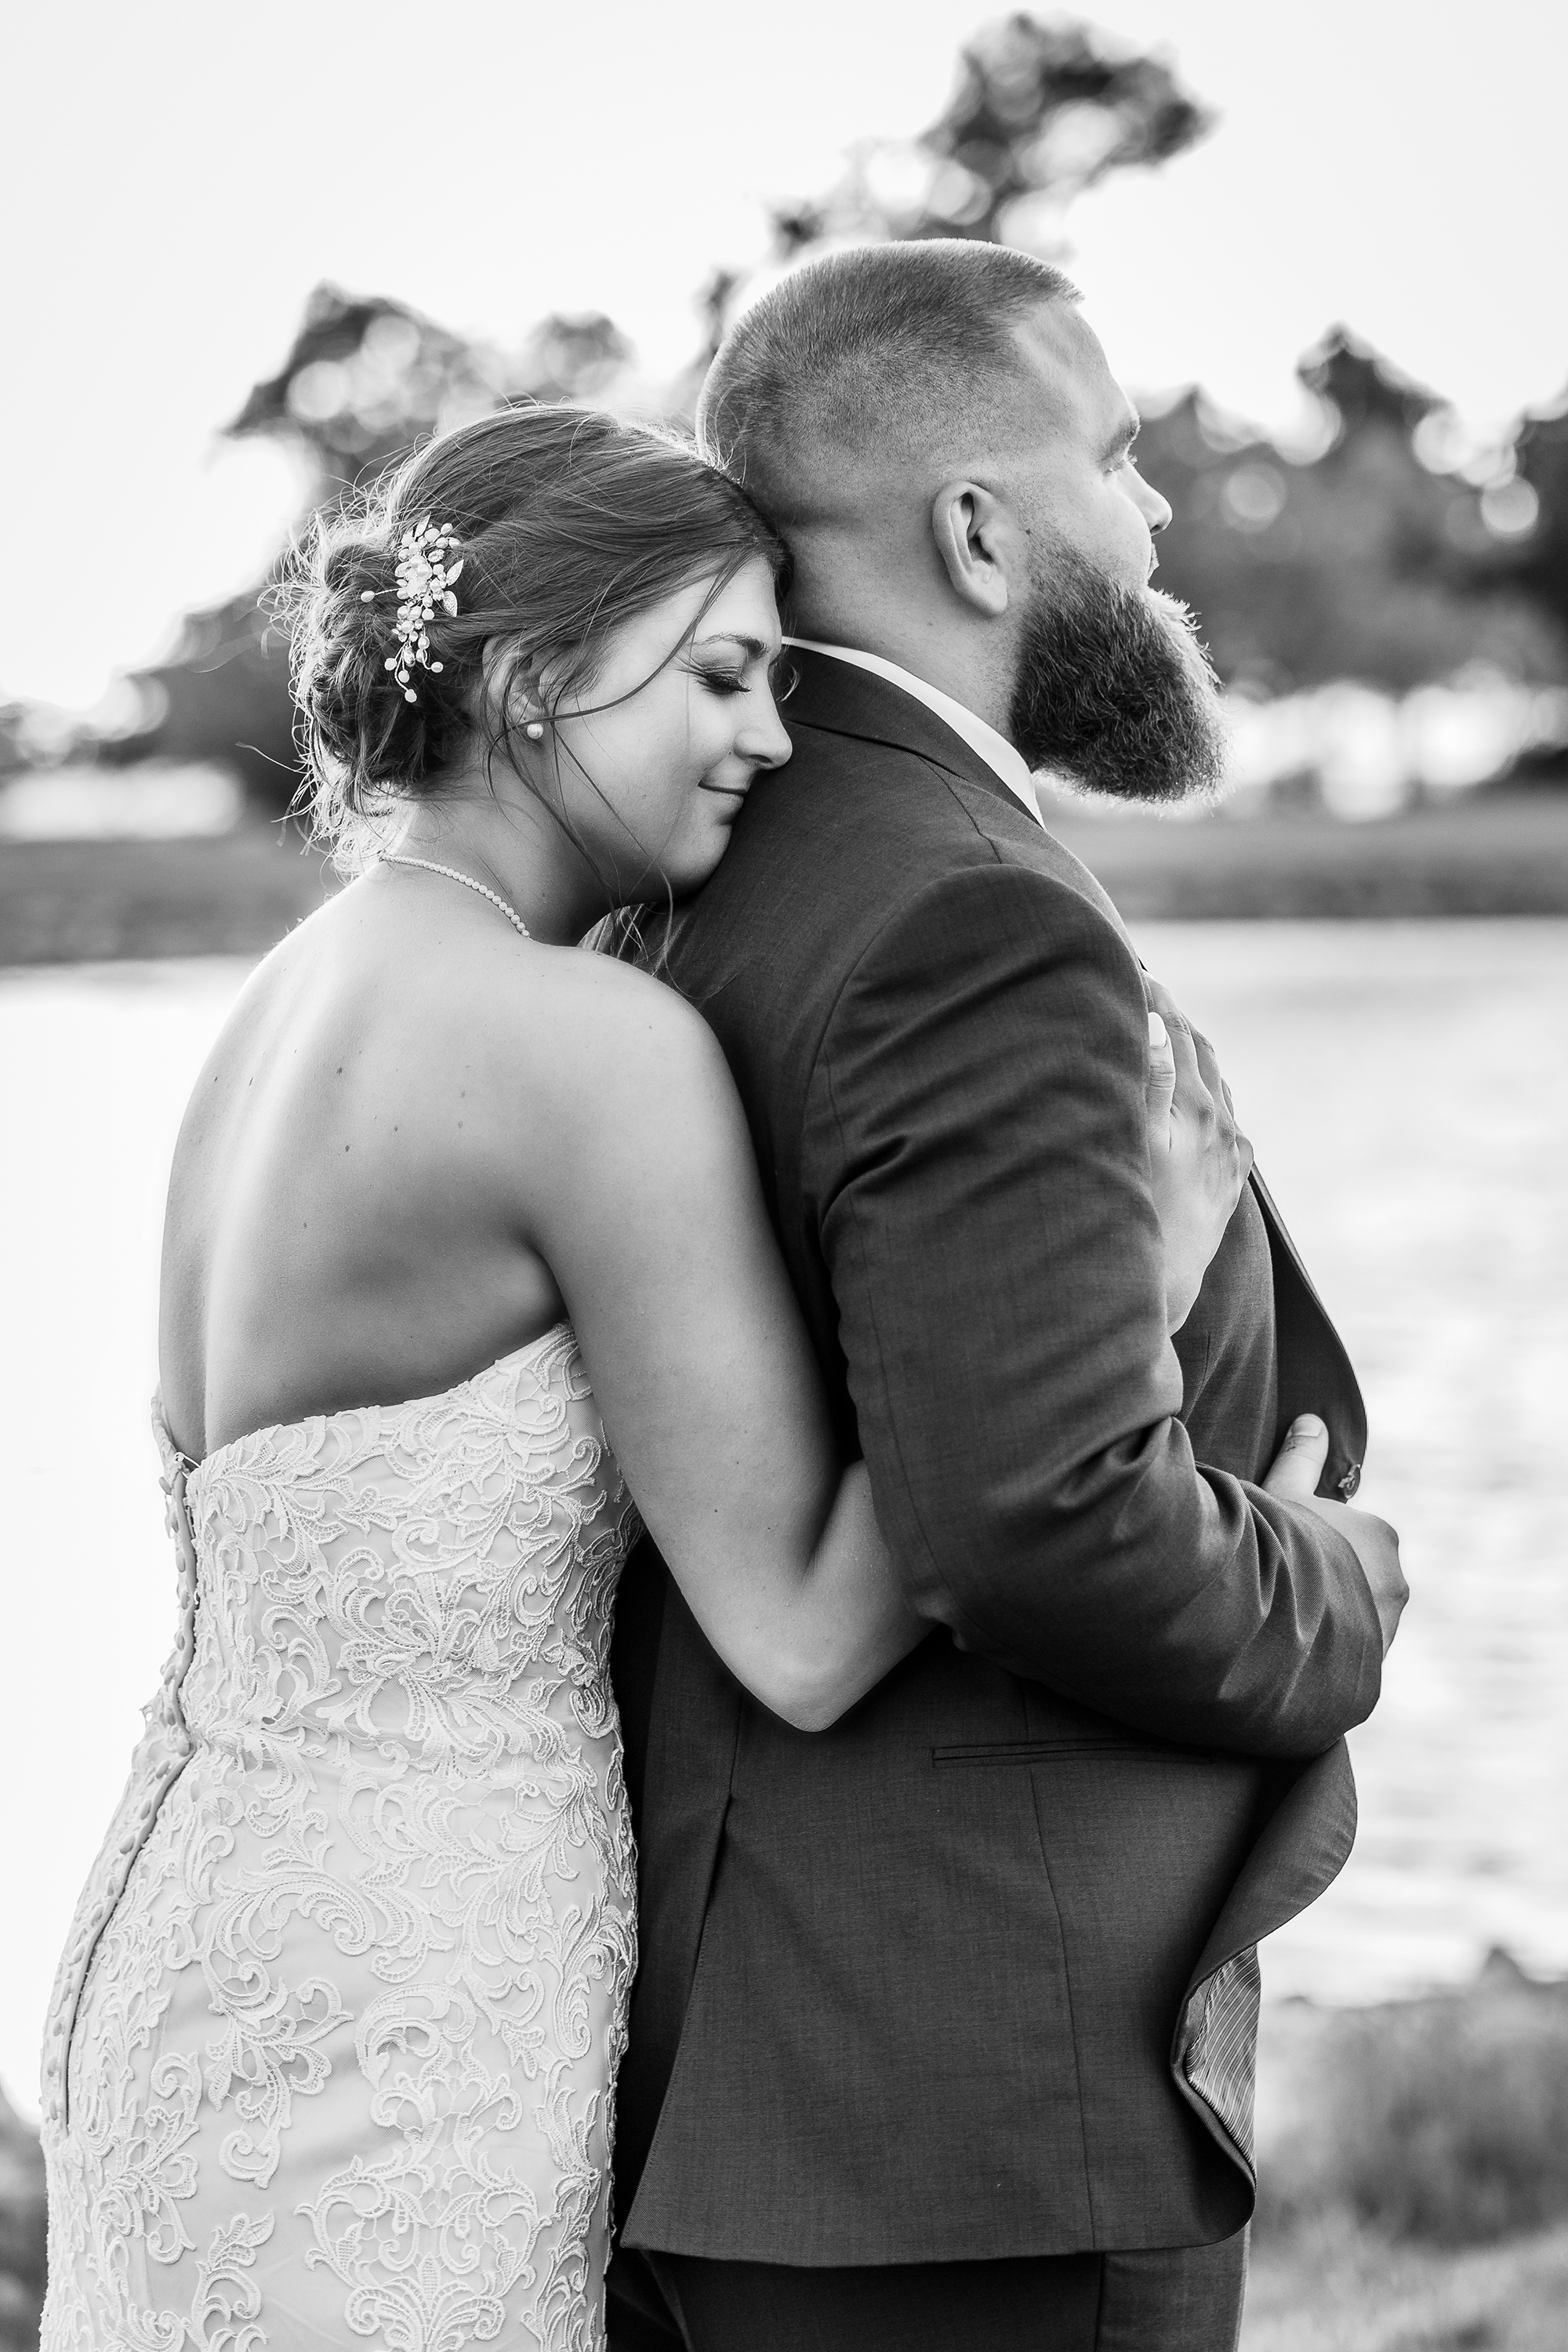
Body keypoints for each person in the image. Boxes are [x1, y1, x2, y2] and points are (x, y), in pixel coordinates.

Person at [37, 405, 1251, 2352]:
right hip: (418, 2012)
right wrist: (1121, 1284)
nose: (769, 736)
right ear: (532, 680)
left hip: (183, 1946)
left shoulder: (282, 1000)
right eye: (719, 675)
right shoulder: (583, 1046)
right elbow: (802, 1636)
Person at [604, 242, 1407, 2352]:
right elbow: (1042, 1521)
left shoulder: (708, 868)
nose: (1155, 514)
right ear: (977, 529)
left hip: (768, 2086)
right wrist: (1340, 1585)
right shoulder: (964, 910)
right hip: (975, 2126)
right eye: (1118, 460)